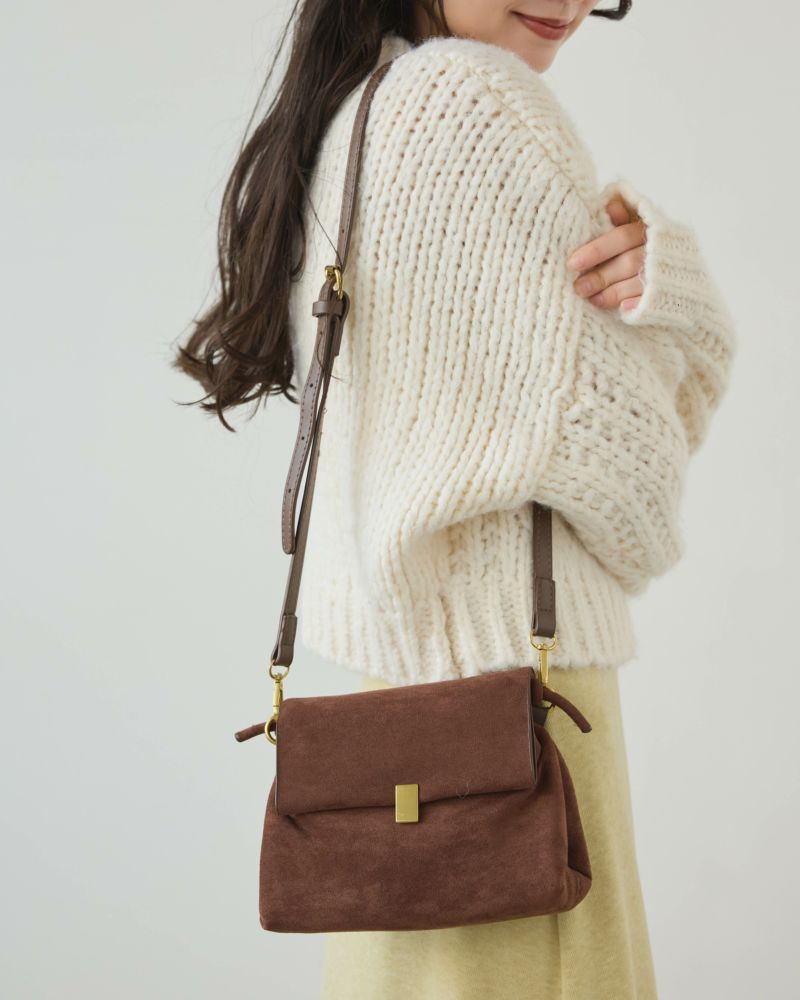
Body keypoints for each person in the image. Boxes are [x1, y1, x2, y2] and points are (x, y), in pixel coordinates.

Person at [174, 2, 737, 997]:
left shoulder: (360, 111)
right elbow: (641, 494)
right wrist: (680, 297)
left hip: (395, 716)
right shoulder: (479, 101)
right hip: (518, 731)